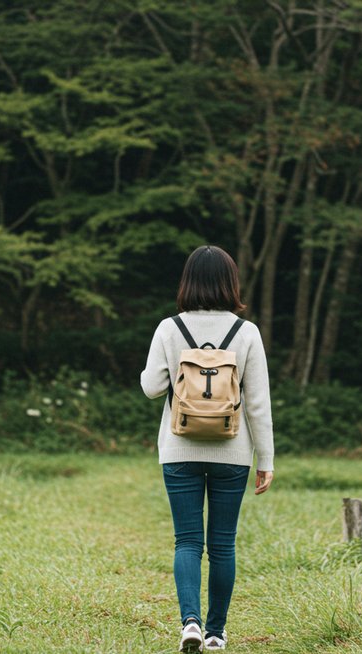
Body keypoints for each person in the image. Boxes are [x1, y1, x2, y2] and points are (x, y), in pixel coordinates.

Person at [140, 245, 275, 653]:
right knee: (222, 543)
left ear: (187, 282)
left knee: (186, 541)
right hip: (233, 453)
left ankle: (191, 623)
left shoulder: (169, 328)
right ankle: (216, 632)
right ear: (230, 283)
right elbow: (257, 403)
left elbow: (151, 388)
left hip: (179, 449)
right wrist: (265, 460)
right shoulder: (246, 332)